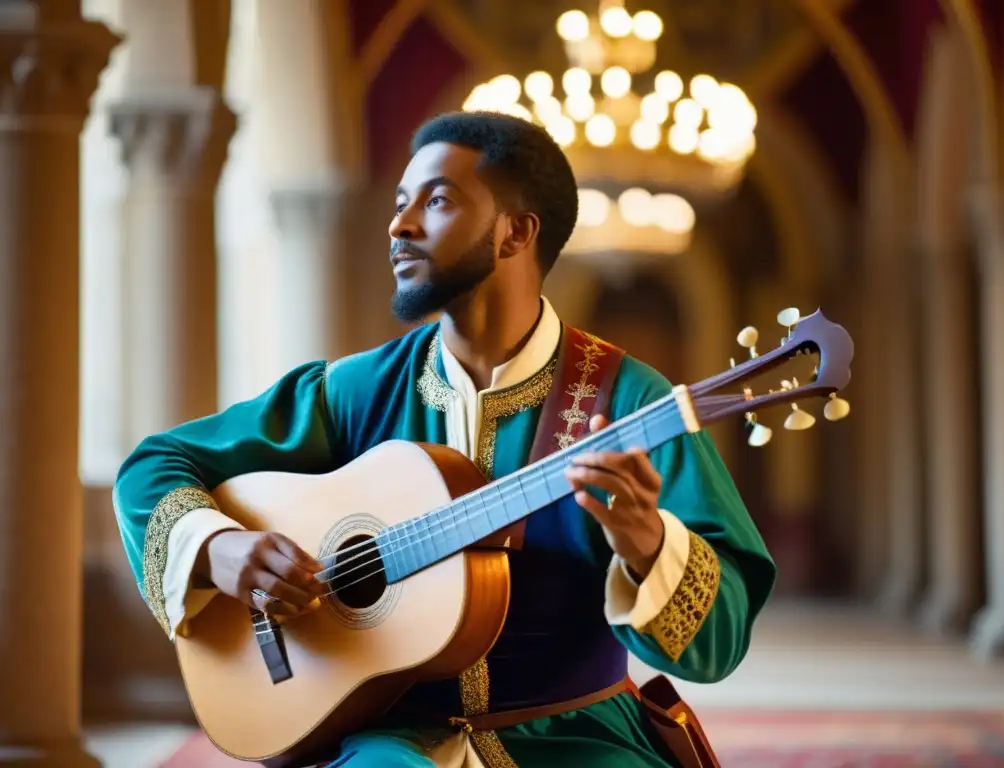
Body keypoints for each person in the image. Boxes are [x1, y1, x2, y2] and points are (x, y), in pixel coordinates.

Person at [113, 111, 776, 767]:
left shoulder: (628, 402)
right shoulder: (354, 391)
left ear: (515, 232)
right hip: (389, 737)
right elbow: (155, 467)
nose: (400, 226)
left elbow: (721, 637)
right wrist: (222, 547)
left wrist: (648, 546)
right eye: (401, 203)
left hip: (575, 738)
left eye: (435, 201)